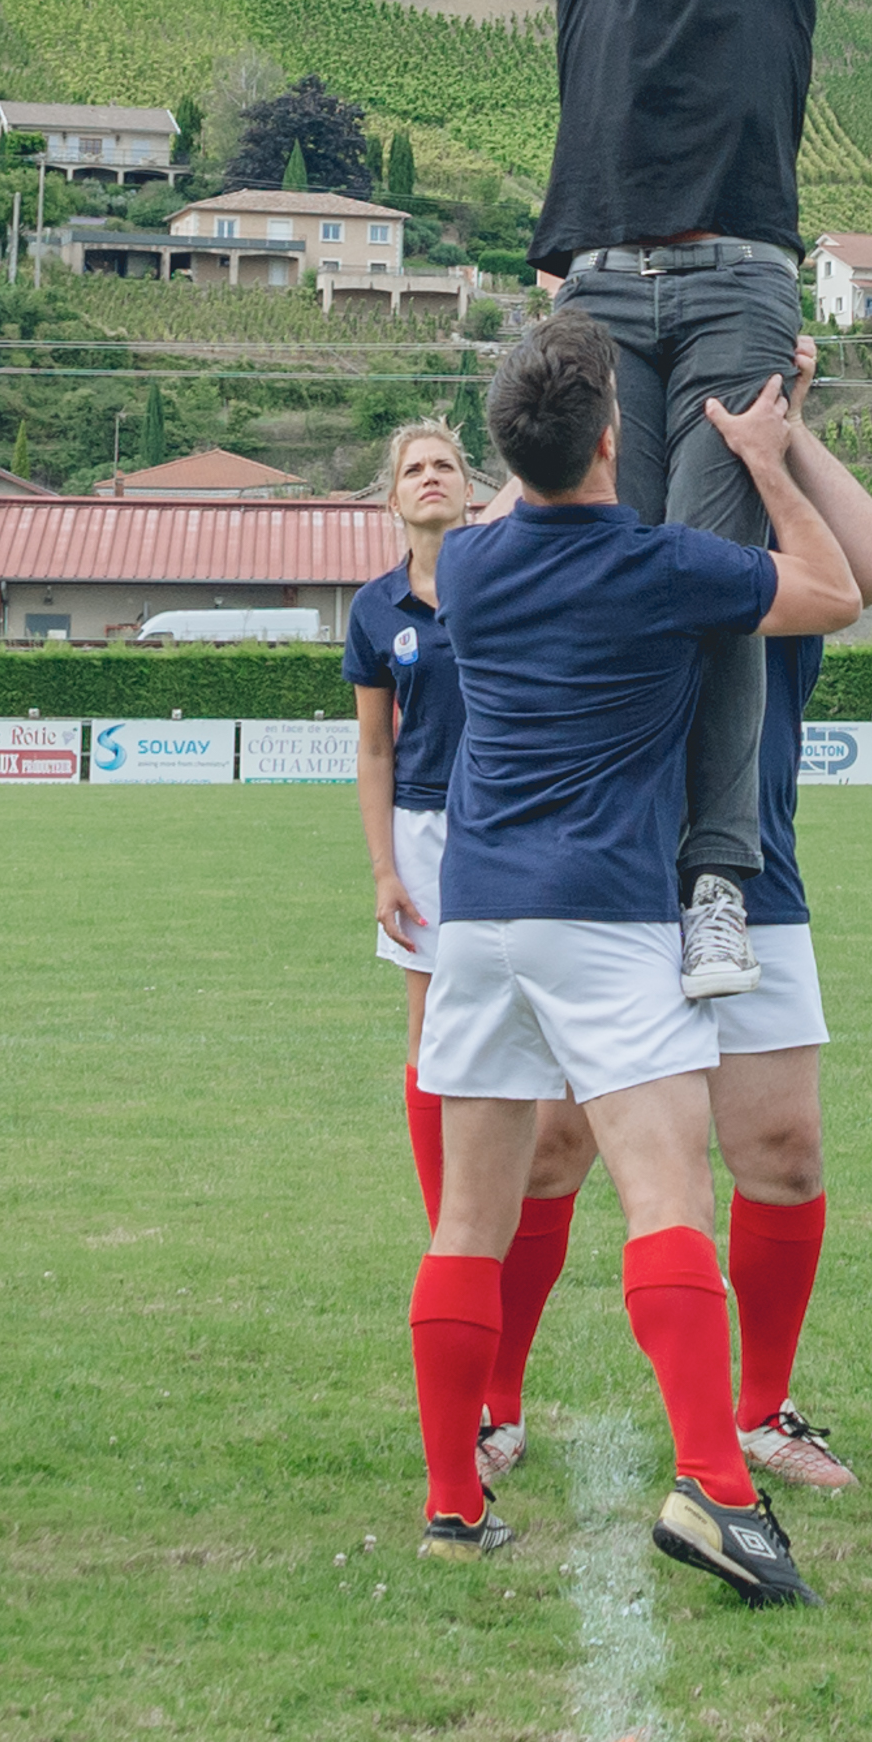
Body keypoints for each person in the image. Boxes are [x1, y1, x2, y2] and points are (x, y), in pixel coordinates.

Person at [406, 310, 867, 1606]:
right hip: (607, 914)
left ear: (509, 449)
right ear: (619, 437)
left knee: (466, 1219)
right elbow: (834, 589)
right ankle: (718, 1483)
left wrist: (541, 410)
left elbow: (516, 483)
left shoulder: (475, 567)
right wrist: (770, 459)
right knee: (670, 1200)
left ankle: (453, 1504)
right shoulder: (667, 565)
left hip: (479, 918)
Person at [505, 0, 851, 1008]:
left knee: (712, 577)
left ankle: (715, 880)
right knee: (595, 567)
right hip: (590, 297)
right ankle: (609, 848)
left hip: (731, 292)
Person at [499, 346, 872, 1501]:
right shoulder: (609, 544)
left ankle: (760, 1409)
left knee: (781, 1153)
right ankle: (494, 1403)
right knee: (547, 1153)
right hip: (607, 884)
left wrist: (784, 436)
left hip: (754, 882)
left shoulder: (749, 547)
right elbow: (516, 497)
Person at [348, 415, 479, 1220]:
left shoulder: (509, 581)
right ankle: (448, 1225)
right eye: (413, 470)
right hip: (423, 830)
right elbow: (373, 751)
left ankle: (524, 1207)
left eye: (445, 466)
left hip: (518, 824)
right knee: (431, 1027)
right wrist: (384, 870)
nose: (430, 477)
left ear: (470, 490)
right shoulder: (373, 610)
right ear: (392, 500)